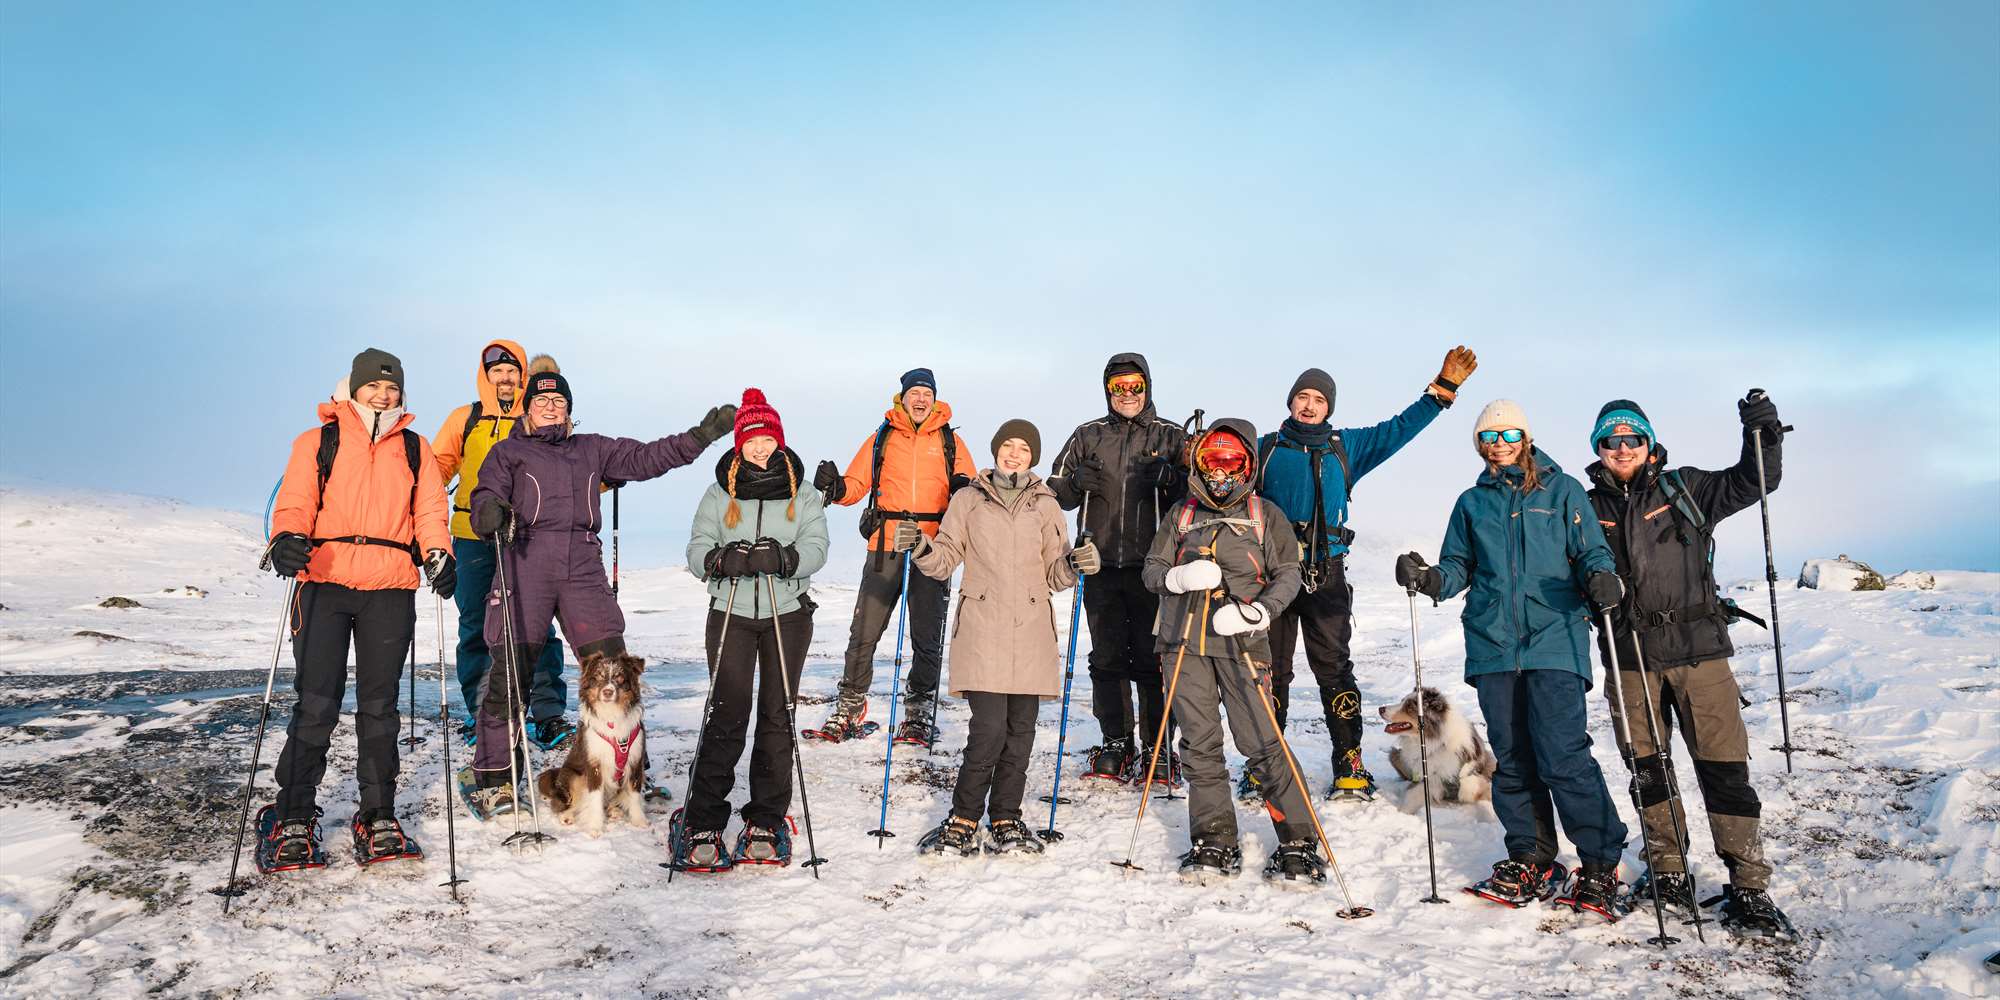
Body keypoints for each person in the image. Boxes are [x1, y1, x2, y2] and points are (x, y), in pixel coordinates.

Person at [1395, 400, 1631, 919]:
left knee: (1563, 756)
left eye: (1508, 434)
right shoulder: (1471, 503)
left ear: (1525, 437)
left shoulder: (1562, 490)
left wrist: (1601, 576)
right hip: (1494, 644)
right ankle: (1531, 857)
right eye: (1489, 436)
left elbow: (1591, 551)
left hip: (1556, 636)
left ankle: (1600, 863)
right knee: (1514, 758)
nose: (1498, 443)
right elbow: (1457, 567)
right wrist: (1430, 579)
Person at [464, 368, 735, 816]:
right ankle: (495, 778)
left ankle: (628, 776)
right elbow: (484, 496)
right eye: (541, 401)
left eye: (558, 401)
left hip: (582, 567)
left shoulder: (591, 448)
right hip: (524, 562)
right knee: (510, 673)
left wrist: (700, 437)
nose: (550, 407)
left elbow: (648, 457)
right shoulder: (507, 452)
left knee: (614, 667)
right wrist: (488, 511)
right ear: (527, 409)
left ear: (569, 410)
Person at [1583, 395, 1795, 939]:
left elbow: (1755, 481)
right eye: (1611, 441)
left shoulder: (1688, 488)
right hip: (1629, 659)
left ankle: (1749, 885)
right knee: (1648, 770)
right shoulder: (1583, 509)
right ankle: (1669, 872)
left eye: (1632, 438)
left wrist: (1763, 435)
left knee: (1724, 769)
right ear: (1599, 449)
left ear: (1649, 443)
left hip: (1699, 652)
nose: (1622, 448)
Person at [1250, 347, 1477, 803]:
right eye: (1302, 397)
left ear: (1329, 408)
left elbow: (1398, 430)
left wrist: (1442, 391)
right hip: (1273, 575)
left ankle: (1349, 762)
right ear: (1290, 402)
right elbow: (1220, 464)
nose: (1309, 405)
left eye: (1319, 399)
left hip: (1326, 574)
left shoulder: (1345, 447)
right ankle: (1265, 765)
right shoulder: (1264, 450)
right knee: (1270, 671)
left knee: (1334, 670)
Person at [263, 348, 454, 867]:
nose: (384, 395)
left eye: (393, 388)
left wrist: (439, 554)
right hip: (323, 581)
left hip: (390, 588)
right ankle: (293, 815)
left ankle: (378, 814)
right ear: (354, 388)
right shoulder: (317, 441)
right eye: (374, 386)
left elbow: (430, 511)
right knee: (316, 703)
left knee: (380, 708)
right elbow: (296, 500)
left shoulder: (415, 448)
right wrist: (286, 538)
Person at [897, 420, 1099, 856]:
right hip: (983, 628)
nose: (1014, 453)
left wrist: (1077, 563)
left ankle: (1007, 817)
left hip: (1031, 631)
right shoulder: (968, 500)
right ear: (996, 450)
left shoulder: (1047, 505)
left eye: (1023, 448)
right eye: (1008, 445)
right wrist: (920, 547)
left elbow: (1055, 572)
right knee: (988, 731)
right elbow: (945, 558)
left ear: (1033, 457)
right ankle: (964, 817)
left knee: (1020, 734)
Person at [1141, 419, 1326, 886]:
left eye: (1231, 461)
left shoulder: (1265, 515)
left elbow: (1288, 572)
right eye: (1212, 460)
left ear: (1246, 465)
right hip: (1183, 643)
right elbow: (1153, 568)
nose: (1220, 472)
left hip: (1242, 643)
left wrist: (1260, 612)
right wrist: (1177, 578)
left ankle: (1299, 839)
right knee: (1199, 744)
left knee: (1261, 740)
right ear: (1199, 463)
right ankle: (1214, 838)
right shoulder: (1181, 514)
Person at [673, 389, 830, 872]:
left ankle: (766, 819)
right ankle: (702, 822)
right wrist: (720, 560)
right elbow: (696, 547)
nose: (760, 448)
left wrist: (785, 558)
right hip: (731, 614)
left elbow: (817, 546)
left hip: (788, 615)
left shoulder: (803, 491)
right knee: (726, 714)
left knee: (778, 715)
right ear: (739, 443)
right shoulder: (720, 492)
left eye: (767, 439)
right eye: (752, 440)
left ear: (779, 441)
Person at [810, 368, 977, 747]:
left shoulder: (950, 441)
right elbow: (856, 484)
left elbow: (968, 489)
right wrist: (835, 487)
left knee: (926, 636)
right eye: (914, 393)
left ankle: (918, 712)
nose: (921, 399)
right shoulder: (882, 437)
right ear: (902, 398)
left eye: (927, 394)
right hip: (884, 545)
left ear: (934, 399)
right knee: (864, 631)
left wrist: (962, 487)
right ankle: (850, 704)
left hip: (932, 547)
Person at [1047, 353, 1187, 787]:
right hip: (1100, 564)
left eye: (1135, 385)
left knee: (1152, 659)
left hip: (1154, 568)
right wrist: (1075, 484)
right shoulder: (1087, 435)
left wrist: (1173, 478)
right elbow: (1055, 490)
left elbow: (1200, 491)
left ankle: (1157, 746)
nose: (1127, 394)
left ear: (1147, 387)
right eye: (1118, 387)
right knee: (1106, 659)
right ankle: (1116, 741)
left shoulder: (1171, 436)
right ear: (1108, 390)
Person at [433, 343, 571, 749]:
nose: (505, 378)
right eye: (498, 372)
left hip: (527, 536)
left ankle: (547, 715)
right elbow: (437, 469)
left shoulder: (537, 415)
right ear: (485, 376)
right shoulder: (466, 418)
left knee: (537, 625)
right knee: (476, 625)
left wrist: (604, 479)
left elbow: (570, 467)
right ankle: (483, 715)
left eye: (513, 371)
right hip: (472, 536)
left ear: (522, 376)